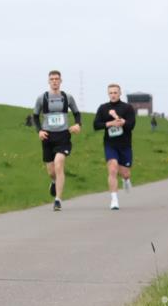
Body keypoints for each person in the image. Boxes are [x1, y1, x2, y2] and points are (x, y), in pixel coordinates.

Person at [32, 70, 81, 211]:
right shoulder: (42, 98)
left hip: (63, 136)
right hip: (47, 137)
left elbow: (77, 113)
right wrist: (39, 131)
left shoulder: (67, 97)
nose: (54, 81)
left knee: (59, 164)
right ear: (48, 81)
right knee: (51, 171)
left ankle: (58, 200)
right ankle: (53, 181)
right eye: (52, 79)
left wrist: (78, 124)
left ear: (61, 81)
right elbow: (35, 116)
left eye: (57, 79)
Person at [93, 84, 136, 210]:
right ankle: (114, 200)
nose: (113, 95)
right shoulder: (103, 108)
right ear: (108, 94)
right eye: (111, 92)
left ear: (120, 93)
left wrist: (123, 122)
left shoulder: (127, 108)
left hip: (125, 145)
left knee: (125, 173)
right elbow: (96, 125)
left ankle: (126, 180)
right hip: (110, 144)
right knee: (112, 169)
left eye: (115, 92)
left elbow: (131, 125)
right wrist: (110, 123)